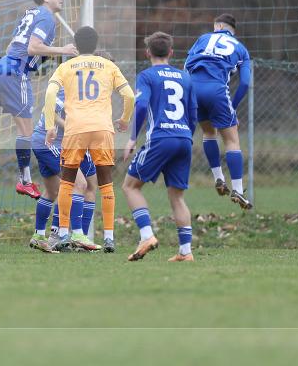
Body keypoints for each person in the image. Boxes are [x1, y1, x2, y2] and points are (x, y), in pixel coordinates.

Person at [0, 0, 78, 199]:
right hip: (16, 72)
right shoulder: (47, 18)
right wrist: (61, 49)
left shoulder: (31, 13)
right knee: (26, 131)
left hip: (3, 66)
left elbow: (11, 46)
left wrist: (40, 56)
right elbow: (32, 47)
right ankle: (25, 180)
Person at [43, 26, 135, 253]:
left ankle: (63, 233)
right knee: (105, 184)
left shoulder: (66, 67)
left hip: (75, 129)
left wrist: (49, 127)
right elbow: (129, 95)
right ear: (95, 45)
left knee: (67, 182)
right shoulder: (109, 66)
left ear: (76, 43)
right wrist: (124, 120)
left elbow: (49, 94)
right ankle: (110, 238)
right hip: (102, 128)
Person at [122, 32, 199, 262]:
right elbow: (194, 112)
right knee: (177, 197)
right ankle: (186, 252)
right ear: (171, 52)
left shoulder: (146, 76)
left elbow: (142, 105)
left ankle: (146, 235)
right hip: (184, 138)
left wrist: (133, 138)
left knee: (130, 187)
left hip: (161, 138)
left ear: (147, 53)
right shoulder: (185, 77)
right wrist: (186, 136)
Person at [184, 13, 253, 209]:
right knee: (231, 140)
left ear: (219, 26)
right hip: (216, 89)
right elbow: (245, 82)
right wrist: (234, 106)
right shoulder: (240, 48)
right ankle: (238, 189)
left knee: (208, 132)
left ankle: (218, 177)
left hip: (194, 88)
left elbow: (186, 67)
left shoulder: (203, 38)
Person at [29, 85, 99, 253]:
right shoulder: (71, 89)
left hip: (56, 144)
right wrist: (66, 125)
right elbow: (49, 111)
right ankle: (75, 235)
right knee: (79, 184)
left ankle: (39, 237)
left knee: (53, 191)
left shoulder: (93, 93)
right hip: (49, 143)